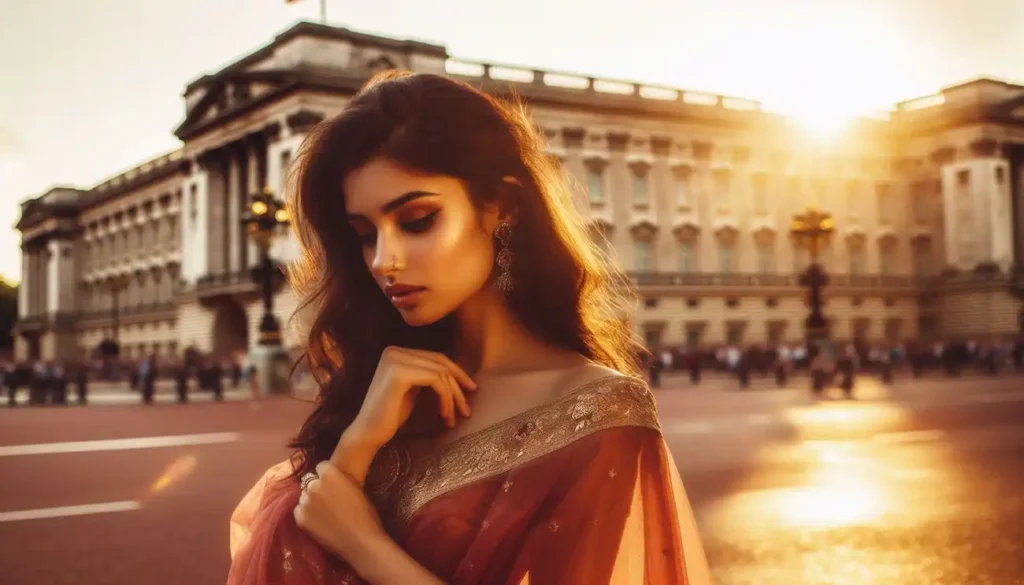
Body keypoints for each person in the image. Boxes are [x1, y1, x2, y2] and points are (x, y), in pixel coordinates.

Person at [227, 72, 711, 585]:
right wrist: (356, 447)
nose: (383, 261)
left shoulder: (603, 412)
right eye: (365, 235)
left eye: (416, 221)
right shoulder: (382, 385)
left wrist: (365, 546)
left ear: (502, 206)